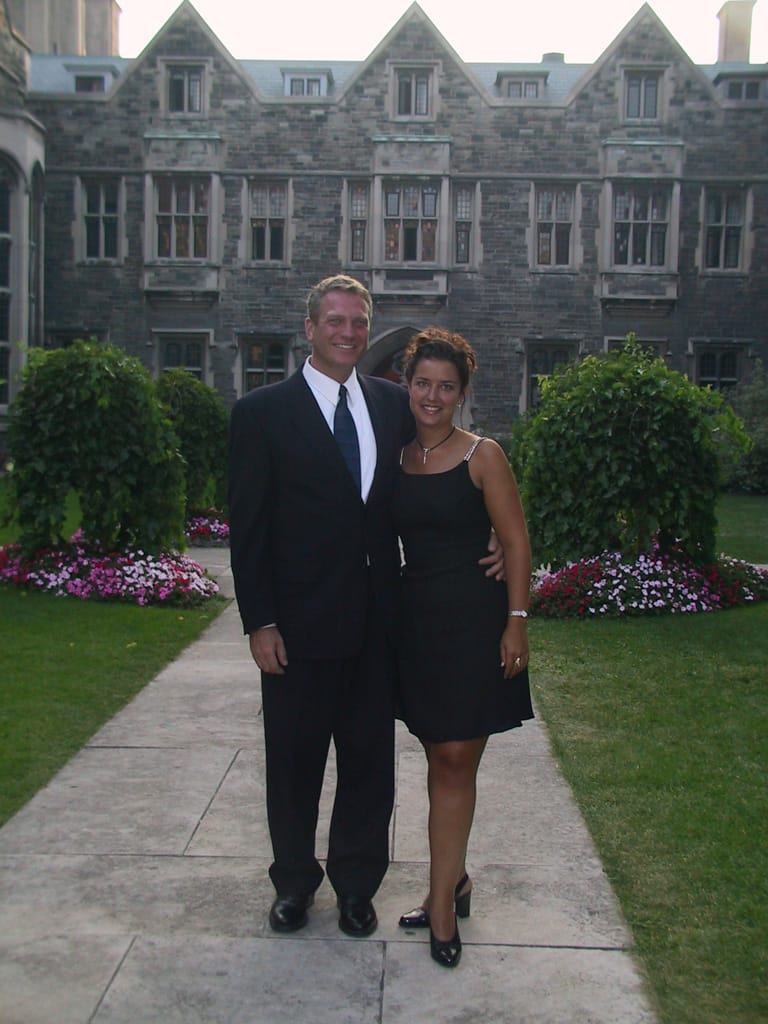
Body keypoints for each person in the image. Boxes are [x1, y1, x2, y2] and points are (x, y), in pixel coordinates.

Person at [228, 276, 503, 938]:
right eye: (337, 321)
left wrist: (490, 526)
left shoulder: (392, 403)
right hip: (295, 627)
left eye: (359, 322)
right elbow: (249, 527)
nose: (350, 332)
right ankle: (294, 883)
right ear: (310, 326)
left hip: (380, 622)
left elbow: (450, 457)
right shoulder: (262, 413)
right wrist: (258, 620)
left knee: (368, 765)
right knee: (293, 763)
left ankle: (356, 884)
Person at [393, 327, 534, 968]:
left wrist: (517, 621)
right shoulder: (394, 457)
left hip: (476, 627)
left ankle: (441, 907)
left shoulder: (483, 455)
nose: (433, 395)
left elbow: (517, 541)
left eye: (446, 387)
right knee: (436, 757)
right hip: (416, 626)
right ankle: (458, 877)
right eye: (423, 382)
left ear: (461, 394)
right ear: (407, 383)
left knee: (455, 761)